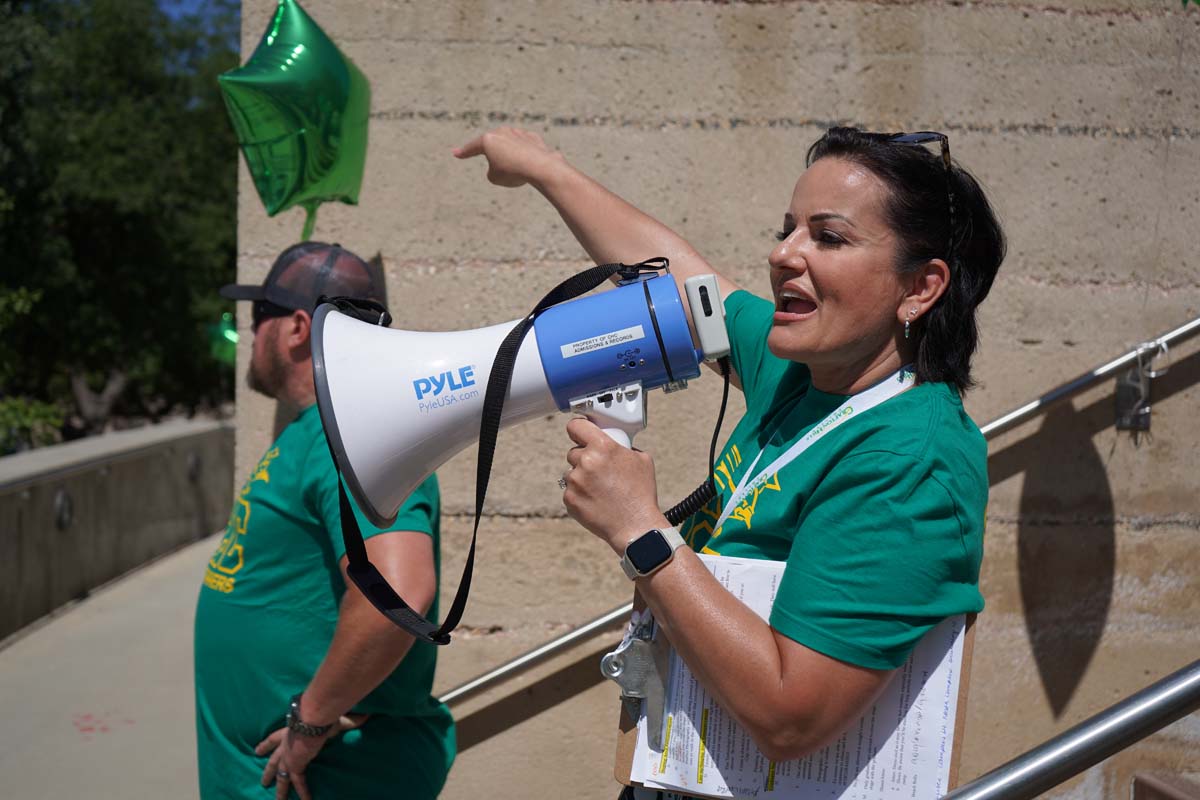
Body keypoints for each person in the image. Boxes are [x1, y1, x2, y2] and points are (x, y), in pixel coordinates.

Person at [453, 127, 1004, 771]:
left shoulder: (910, 463)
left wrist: (641, 531)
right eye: (788, 228)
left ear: (921, 288)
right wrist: (547, 170)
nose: (782, 254)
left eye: (828, 237)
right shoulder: (801, 370)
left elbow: (792, 717)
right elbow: (682, 282)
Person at [195, 242, 455, 800]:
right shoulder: (321, 432)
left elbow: (398, 595)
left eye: (254, 318)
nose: (247, 336)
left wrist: (309, 723)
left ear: (294, 328)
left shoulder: (355, 436)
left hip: (326, 780)